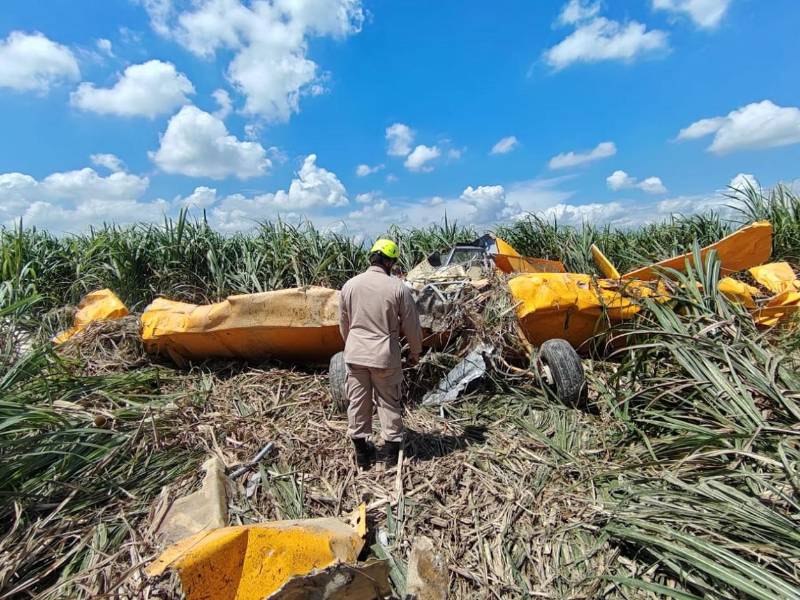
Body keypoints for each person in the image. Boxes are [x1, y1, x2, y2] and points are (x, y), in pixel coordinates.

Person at [339, 238, 423, 470]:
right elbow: (412, 326)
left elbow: (343, 323)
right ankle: (389, 455)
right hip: (384, 356)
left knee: (357, 401)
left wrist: (352, 345)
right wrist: (415, 353)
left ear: (372, 257)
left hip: (355, 355)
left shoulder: (350, 285)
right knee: (388, 401)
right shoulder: (397, 287)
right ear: (390, 262)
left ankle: (362, 454)